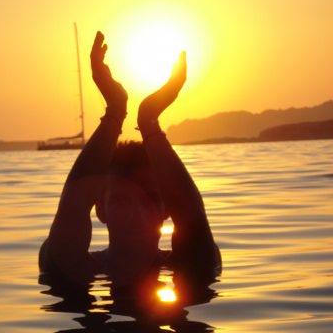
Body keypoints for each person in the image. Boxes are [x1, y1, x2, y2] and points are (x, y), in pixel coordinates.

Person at [39, 31, 221, 293]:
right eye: (121, 201)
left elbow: (192, 216)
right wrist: (114, 112)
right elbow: (73, 207)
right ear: (101, 210)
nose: (137, 216)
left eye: (150, 200)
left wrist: (149, 122)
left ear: (166, 209)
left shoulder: (192, 262)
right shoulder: (75, 266)